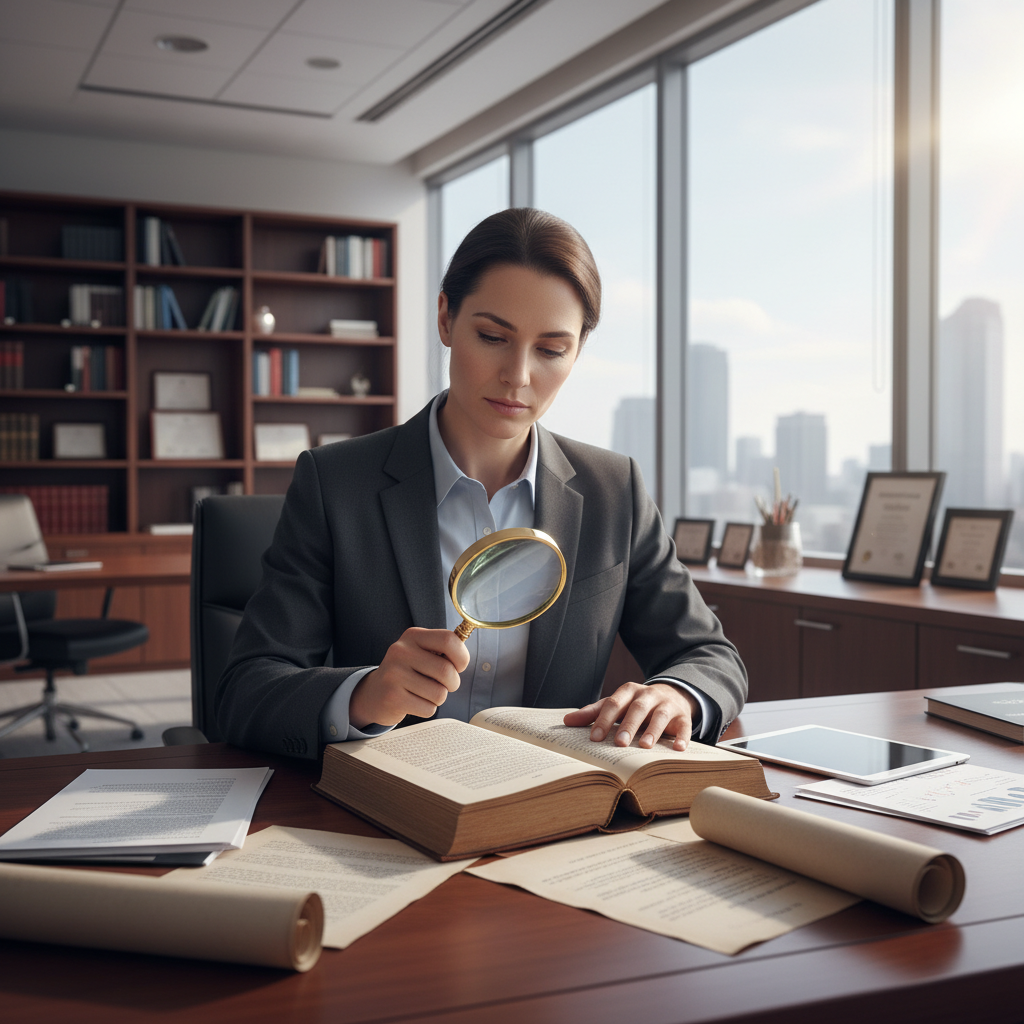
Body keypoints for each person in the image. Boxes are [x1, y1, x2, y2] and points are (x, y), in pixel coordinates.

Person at [216, 208, 747, 760]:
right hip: (385, 809)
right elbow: (244, 692)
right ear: (445, 318)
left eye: (551, 349)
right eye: (493, 336)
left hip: (548, 808)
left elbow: (711, 656)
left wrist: (677, 695)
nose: (518, 376)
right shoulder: (335, 485)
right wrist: (363, 696)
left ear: (578, 351)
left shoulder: (615, 490)